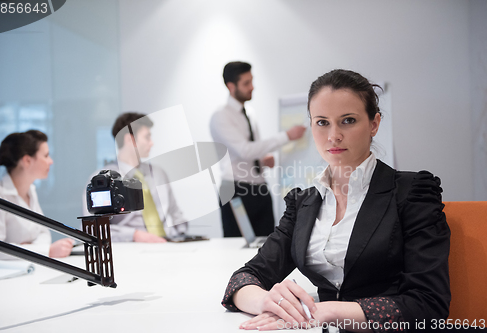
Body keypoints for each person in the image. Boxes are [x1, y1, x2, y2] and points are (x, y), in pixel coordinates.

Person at [221, 69, 450, 332]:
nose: (333, 136)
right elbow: (242, 279)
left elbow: (429, 304)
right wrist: (269, 302)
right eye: (322, 122)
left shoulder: (411, 192)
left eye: (348, 120)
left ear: (374, 124)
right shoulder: (304, 203)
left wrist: (327, 311)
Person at [210, 61, 306, 237]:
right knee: (237, 245)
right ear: (231, 86)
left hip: (260, 187)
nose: (252, 87)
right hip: (235, 190)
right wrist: (287, 136)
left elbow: (250, 151)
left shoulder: (250, 113)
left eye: (252, 81)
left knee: (267, 244)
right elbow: (245, 150)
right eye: (246, 83)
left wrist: (262, 160)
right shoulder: (220, 116)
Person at [83, 112, 187, 243]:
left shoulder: (159, 174)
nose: (152, 143)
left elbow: (176, 215)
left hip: (170, 244)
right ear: (129, 139)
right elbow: (94, 228)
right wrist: (135, 235)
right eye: (147, 137)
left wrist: (181, 236)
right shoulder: (100, 181)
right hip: (130, 248)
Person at [0, 130, 74, 259]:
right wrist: (44, 251)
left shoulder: (31, 191)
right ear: (27, 160)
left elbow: (44, 233)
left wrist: (29, 248)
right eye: (46, 156)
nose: (51, 161)